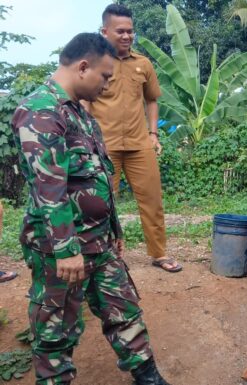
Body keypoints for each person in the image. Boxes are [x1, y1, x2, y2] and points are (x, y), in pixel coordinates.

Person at [12, 32, 170, 385]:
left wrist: (113, 233)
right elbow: (49, 189)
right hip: (61, 249)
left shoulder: (81, 116)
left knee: (125, 310)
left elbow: (97, 179)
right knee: (56, 328)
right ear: (83, 67)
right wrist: (67, 252)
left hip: (99, 243)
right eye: (104, 77)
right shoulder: (41, 111)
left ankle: (147, 376)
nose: (106, 84)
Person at [86, 4, 181, 273]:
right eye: (120, 31)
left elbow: (152, 100)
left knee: (152, 200)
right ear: (104, 31)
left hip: (140, 144)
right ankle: (105, 256)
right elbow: (86, 101)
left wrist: (153, 133)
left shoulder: (143, 64)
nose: (127, 36)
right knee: (102, 203)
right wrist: (86, 140)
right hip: (105, 146)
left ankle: (159, 253)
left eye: (130, 31)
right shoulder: (93, 63)